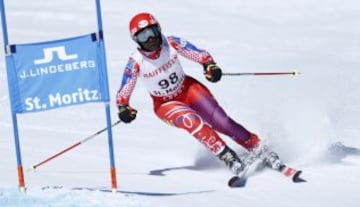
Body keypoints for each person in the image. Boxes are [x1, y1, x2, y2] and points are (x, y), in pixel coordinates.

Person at [116, 12, 281, 175]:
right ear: (136, 41)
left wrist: (209, 65)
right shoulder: (136, 62)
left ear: (158, 29)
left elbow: (197, 53)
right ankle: (228, 156)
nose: (150, 39)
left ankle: (258, 147)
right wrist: (123, 108)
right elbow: (125, 88)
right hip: (165, 104)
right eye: (143, 36)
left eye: (152, 32)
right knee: (192, 122)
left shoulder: (170, 42)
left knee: (222, 122)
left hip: (188, 89)